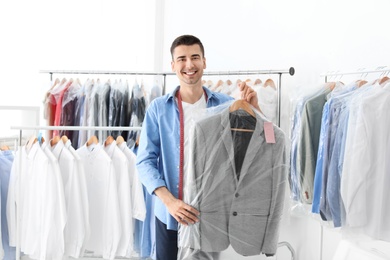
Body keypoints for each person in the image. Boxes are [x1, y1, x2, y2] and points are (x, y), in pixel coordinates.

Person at [136, 34, 261, 260]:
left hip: (210, 215)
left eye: (195, 57)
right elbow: (144, 161)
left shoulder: (225, 105)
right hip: (169, 215)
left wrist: (255, 112)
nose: (189, 64)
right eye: (182, 59)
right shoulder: (158, 109)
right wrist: (170, 202)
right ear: (173, 65)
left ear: (204, 62)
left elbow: (250, 152)